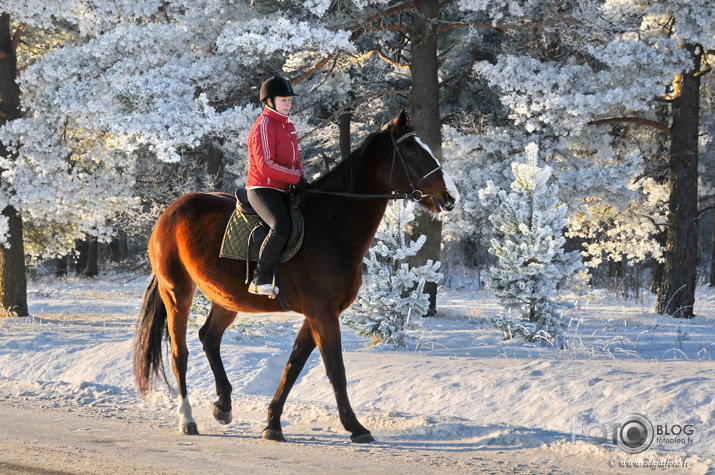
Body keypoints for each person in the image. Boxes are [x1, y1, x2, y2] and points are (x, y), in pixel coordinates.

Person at [246, 76, 308, 296]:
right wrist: (295, 177)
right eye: (284, 100)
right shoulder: (264, 125)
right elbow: (266, 166)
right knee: (281, 224)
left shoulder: (288, 126)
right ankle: (260, 278)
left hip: (285, 187)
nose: (289, 104)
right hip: (262, 189)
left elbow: (296, 160)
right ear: (269, 102)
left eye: (290, 100)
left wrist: (302, 178)